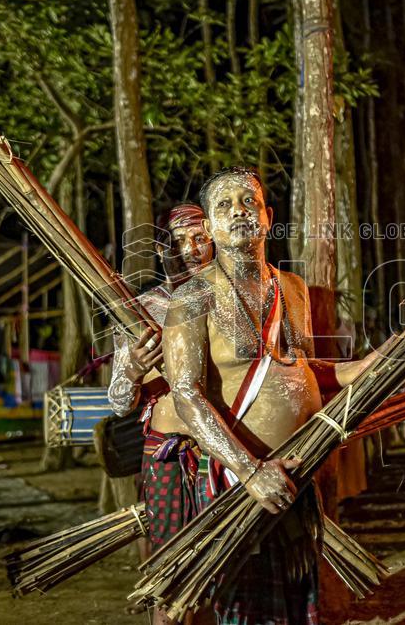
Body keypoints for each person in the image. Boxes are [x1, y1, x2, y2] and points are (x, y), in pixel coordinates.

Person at [162, 167, 378, 624]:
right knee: (250, 613)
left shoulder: (293, 289)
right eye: (224, 205)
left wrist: (360, 369)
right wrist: (251, 469)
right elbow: (186, 394)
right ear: (211, 225)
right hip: (241, 484)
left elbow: (297, 367)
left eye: (249, 201)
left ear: (268, 216)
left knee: (299, 610)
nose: (239, 211)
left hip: (302, 476)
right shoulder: (193, 297)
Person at [108, 203, 214, 625]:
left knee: (222, 567)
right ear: (162, 248)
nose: (191, 248)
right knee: (170, 573)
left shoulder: (234, 302)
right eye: (179, 240)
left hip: (224, 450)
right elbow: (118, 401)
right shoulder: (143, 311)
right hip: (167, 454)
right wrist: (132, 369)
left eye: (200, 237)